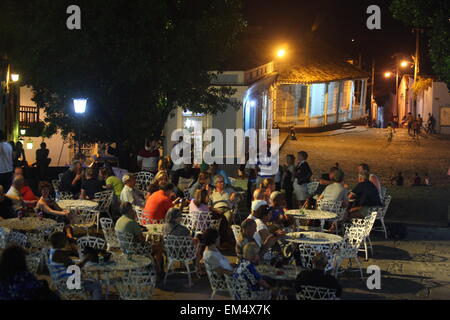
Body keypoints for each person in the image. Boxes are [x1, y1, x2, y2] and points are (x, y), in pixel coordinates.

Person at [48, 232, 103, 300]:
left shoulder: (52, 251)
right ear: (63, 243)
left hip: (61, 283)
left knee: (91, 281)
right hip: (69, 283)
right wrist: (87, 258)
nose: (67, 241)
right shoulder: (60, 255)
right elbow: (75, 269)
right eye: (66, 240)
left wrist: (72, 250)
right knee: (96, 286)